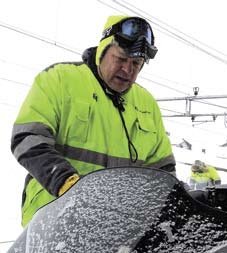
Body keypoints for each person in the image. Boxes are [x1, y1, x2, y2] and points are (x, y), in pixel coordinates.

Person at [11, 15, 176, 227]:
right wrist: (67, 183)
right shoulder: (60, 80)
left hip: (116, 231)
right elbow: (28, 138)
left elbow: (162, 170)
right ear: (103, 50)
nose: (128, 69)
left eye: (136, 63)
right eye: (121, 59)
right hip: (53, 220)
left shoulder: (146, 104)